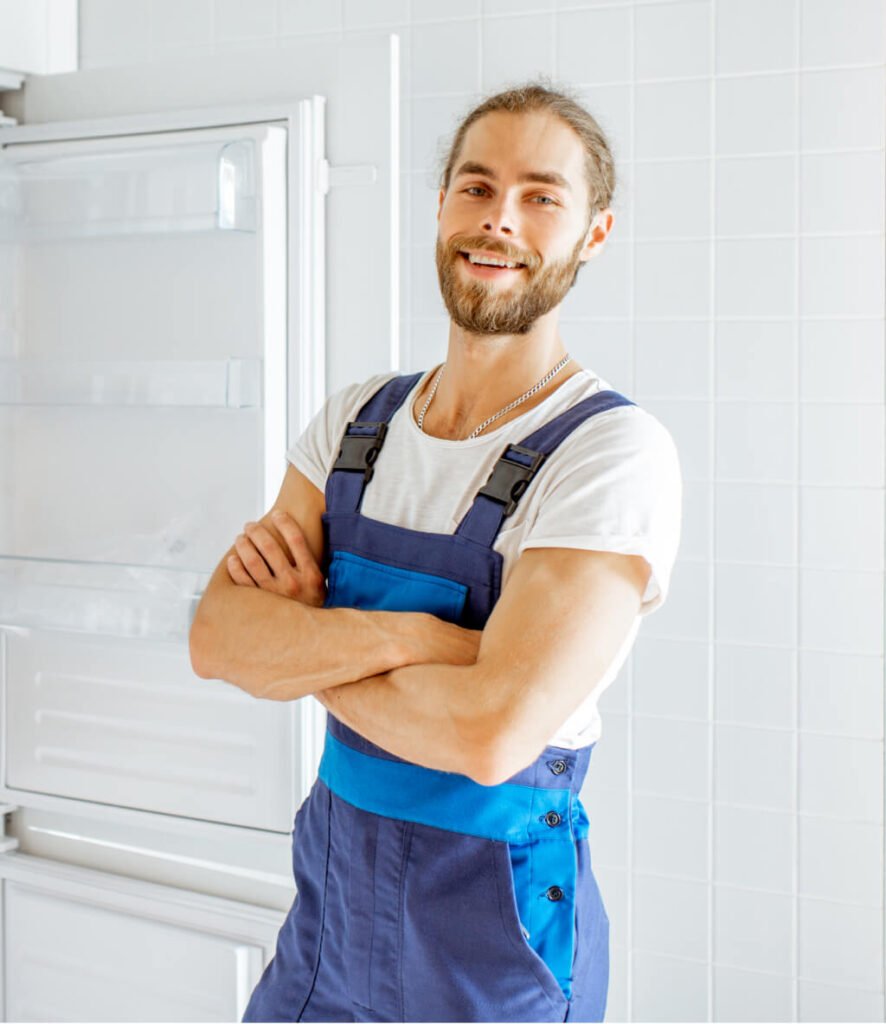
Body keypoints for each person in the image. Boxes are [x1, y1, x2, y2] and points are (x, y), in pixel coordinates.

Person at [190, 79, 682, 1023]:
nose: (500, 219)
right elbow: (218, 639)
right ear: (444, 204)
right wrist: (418, 639)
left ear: (595, 234)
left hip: (492, 942)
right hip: (329, 919)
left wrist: (307, 645)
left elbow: (491, 737)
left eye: (542, 197)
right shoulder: (356, 424)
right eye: (476, 186)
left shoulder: (609, 453)